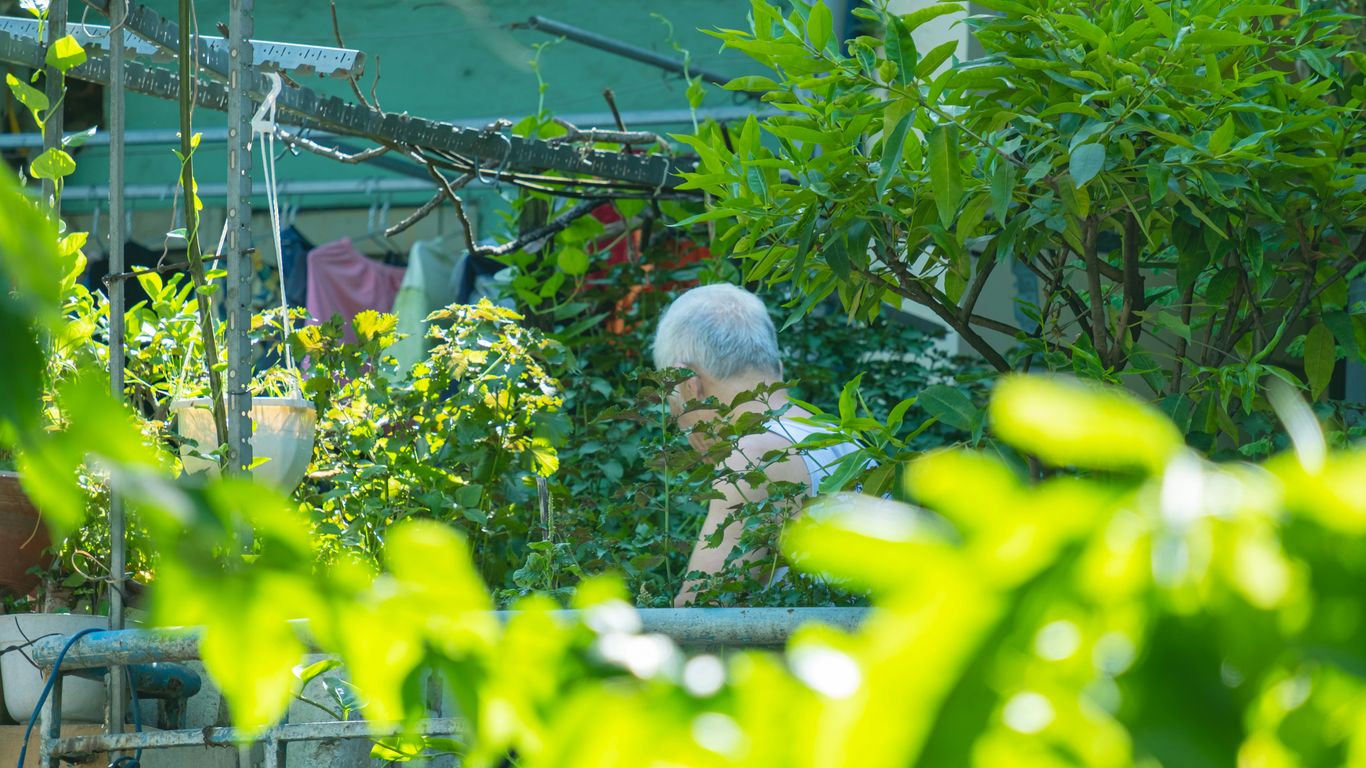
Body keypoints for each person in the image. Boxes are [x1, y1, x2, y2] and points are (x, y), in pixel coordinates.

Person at [652, 284, 862, 607]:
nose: (675, 416)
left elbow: (696, 617)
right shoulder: (846, 439)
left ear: (687, 384)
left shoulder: (753, 457)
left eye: (672, 399)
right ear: (777, 367)